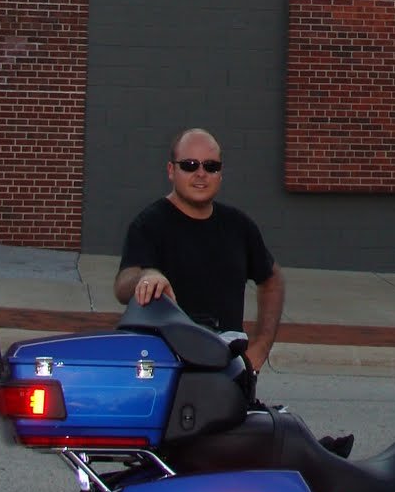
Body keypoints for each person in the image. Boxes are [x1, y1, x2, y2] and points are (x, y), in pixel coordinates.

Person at [115, 128, 284, 372]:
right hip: (168, 366)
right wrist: (147, 276)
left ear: (220, 174)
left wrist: (260, 347)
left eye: (211, 166)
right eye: (190, 165)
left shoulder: (239, 225)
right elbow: (123, 284)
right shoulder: (149, 224)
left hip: (226, 367)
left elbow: (272, 279)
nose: (201, 174)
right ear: (171, 170)